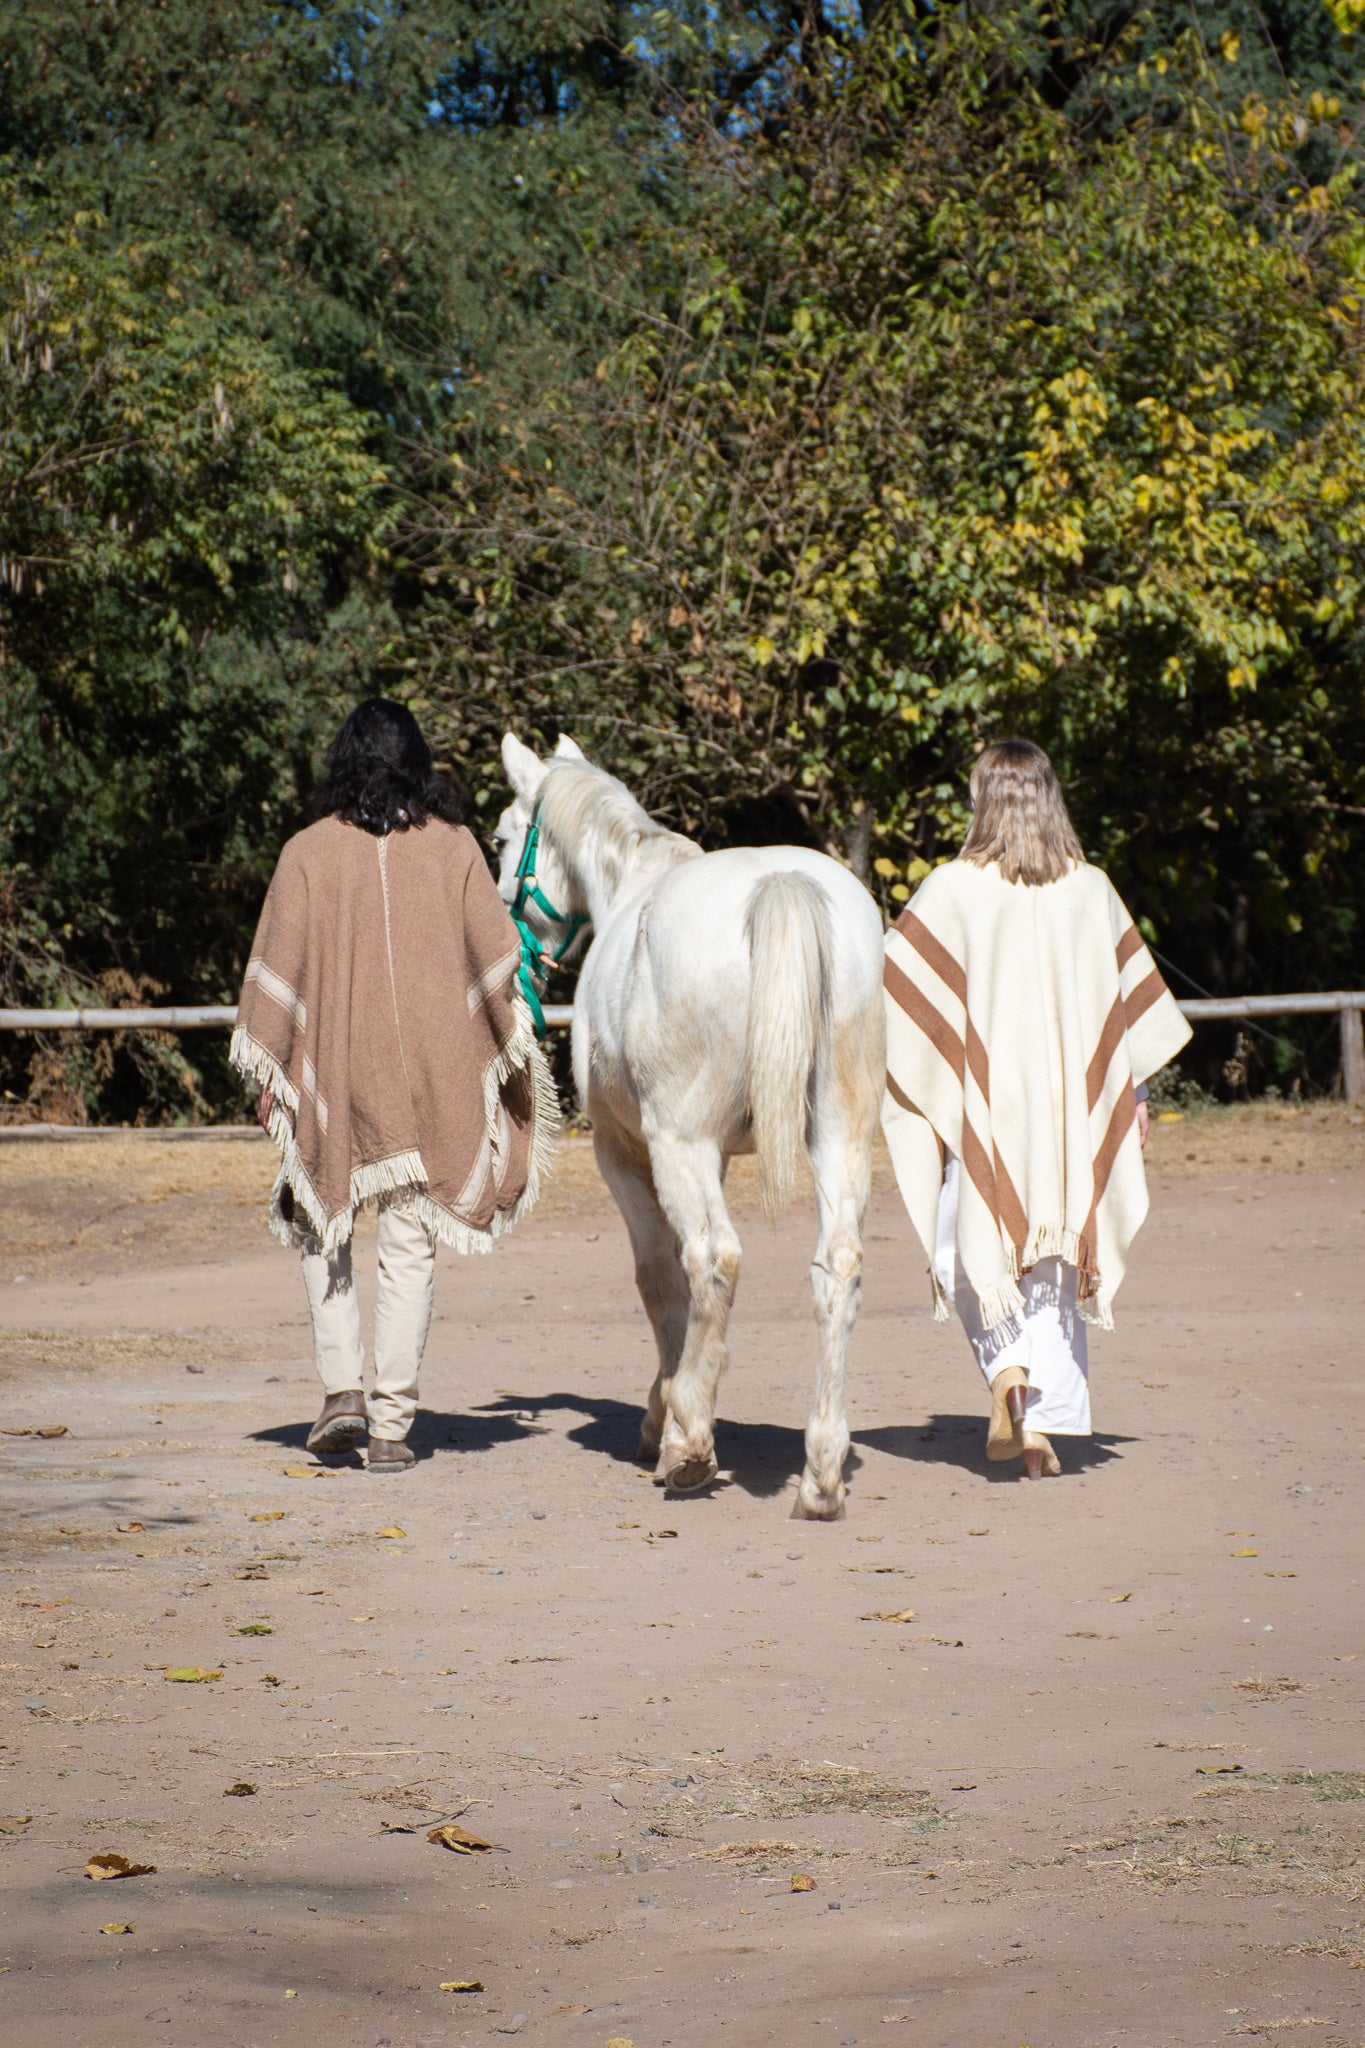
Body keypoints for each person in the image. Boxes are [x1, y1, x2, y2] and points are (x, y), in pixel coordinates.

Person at [230, 699, 556, 1471]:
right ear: (418, 762)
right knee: (408, 1245)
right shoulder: (453, 849)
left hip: (335, 1075)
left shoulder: (307, 852)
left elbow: (275, 982)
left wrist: (276, 1080)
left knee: (322, 1220)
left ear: (343, 759)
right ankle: (388, 1429)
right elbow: (498, 959)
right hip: (429, 1083)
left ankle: (341, 1387)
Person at [881, 738, 1190, 1478]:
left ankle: (1007, 1379)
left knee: (963, 1237)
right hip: (1065, 1105)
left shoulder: (952, 888)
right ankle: (1040, 1422)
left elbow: (893, 991)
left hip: (988, 1099)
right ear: (1051, 795)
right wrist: (1131, 1095)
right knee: (1056, 1255)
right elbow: (1121, 1022)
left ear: (982, 798)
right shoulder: (1091, 889)